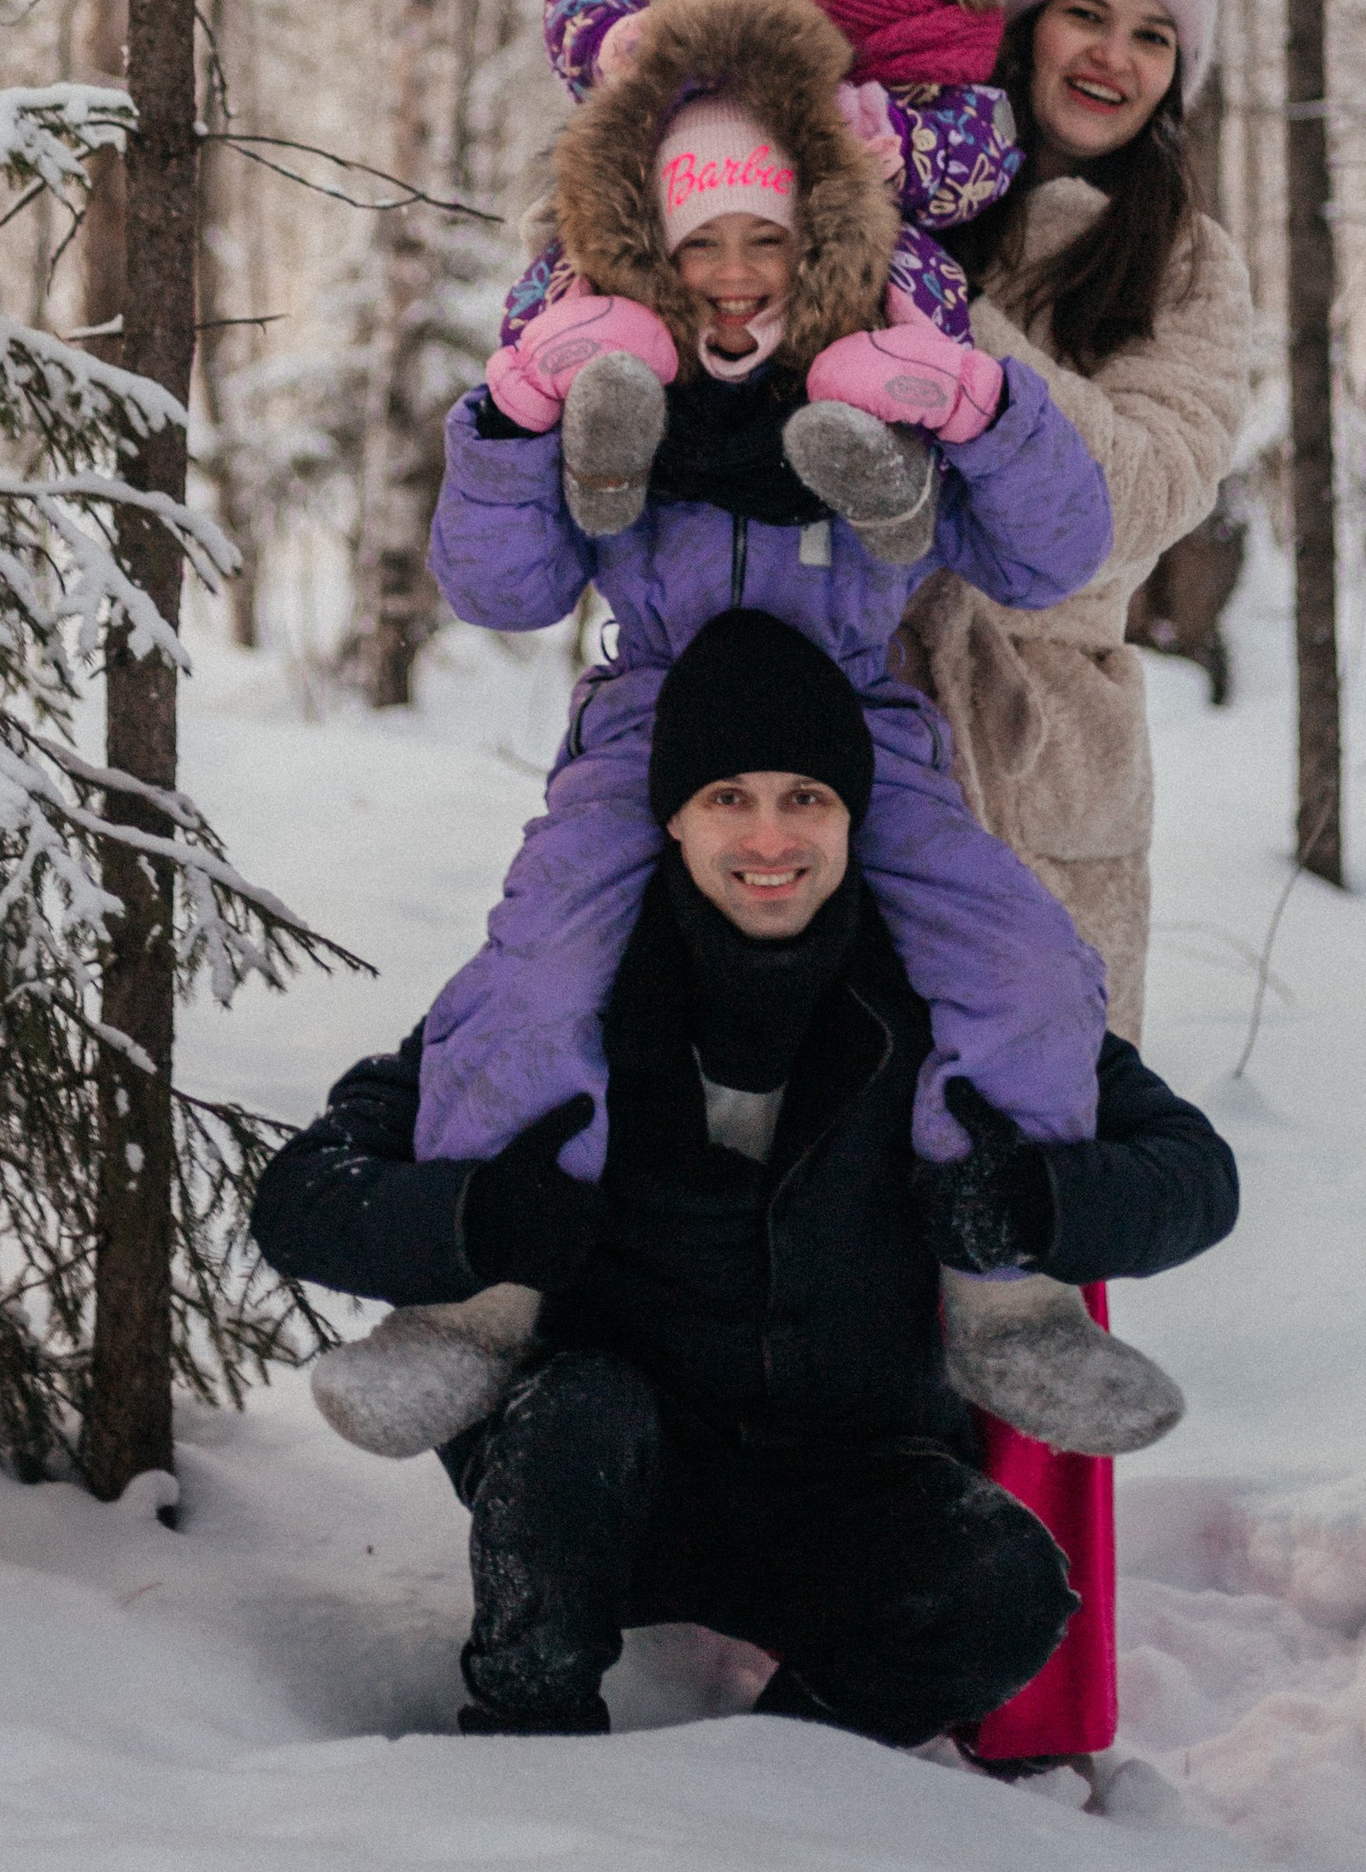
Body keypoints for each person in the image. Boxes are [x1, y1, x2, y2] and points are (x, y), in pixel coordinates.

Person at [310, 0, 1192, 1466]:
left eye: (765, 239)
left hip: (857, 723)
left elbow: (1050, 550)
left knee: (1024, 955)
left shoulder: (889, 362)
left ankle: (1009, 1302)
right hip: (649, 718)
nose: (732, 274)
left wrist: (981, 405)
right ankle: (472, 1309)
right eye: (697, 241)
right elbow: (500, 587)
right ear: (647, 246)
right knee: (536, 975)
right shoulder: (605, 365)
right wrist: (515, 419)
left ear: (820, 235)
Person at [253, 612, 1240, 1747]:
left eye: (805, 797)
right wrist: (475, 1219)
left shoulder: (955, 1005)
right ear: (669, 813)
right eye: (727, 796)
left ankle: (784, 1775)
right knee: (576, 1417)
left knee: (1003, 1586)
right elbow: (305, 1188)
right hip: (605, 1479)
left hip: (846, 1476)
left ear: (854, 814)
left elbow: (1194, 1170)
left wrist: (1040, 1201)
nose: (768, 836)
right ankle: (528, 1729)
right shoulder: (553, 1000)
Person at [915, 0, 1257, 1768]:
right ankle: (817, 1666)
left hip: (1038, 790)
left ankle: (1034, 1711)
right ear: (1023, 18)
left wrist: (943, 348)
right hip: (847, 768)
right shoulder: (909, 181)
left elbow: (1111, 519)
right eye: (1088, 12)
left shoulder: (1184, 270)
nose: (1116, 56)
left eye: (1154, 34)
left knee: (1018, 1233)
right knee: (831, 1228)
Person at [504, 0, 1026, 555]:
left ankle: (889, 452)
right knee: (579, 253)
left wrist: (903, 139)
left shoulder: (927, 42)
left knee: (919, 280)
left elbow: (987, 149)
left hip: (836, 261)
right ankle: (592, 410)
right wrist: (623, 41)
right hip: (688, 224)